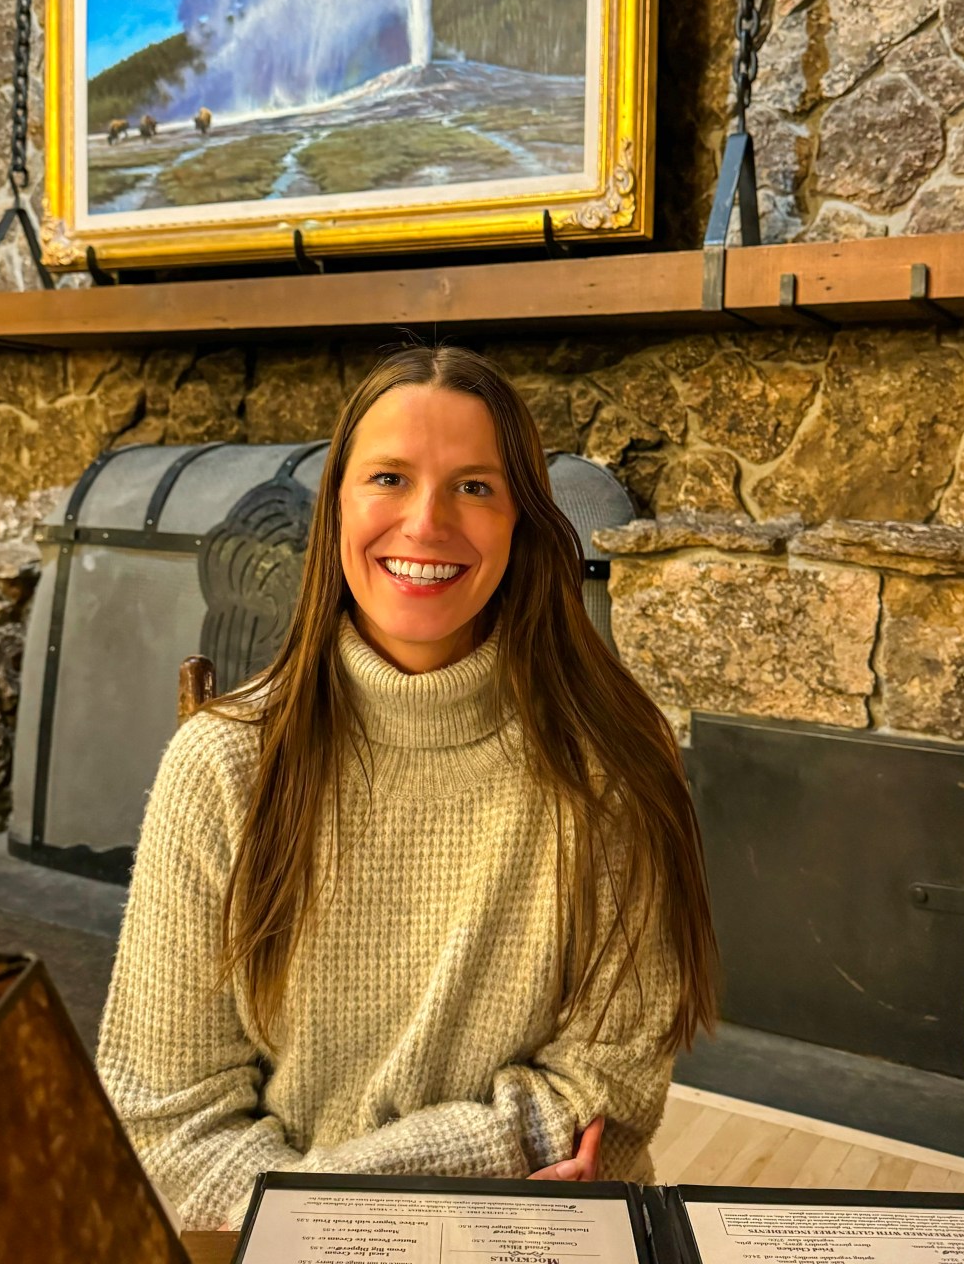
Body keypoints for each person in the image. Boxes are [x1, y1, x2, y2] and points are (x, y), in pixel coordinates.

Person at [97, 345, 718, 1230]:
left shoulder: (611, 767)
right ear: (336, 509)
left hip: (527, 1240)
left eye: (475, 487)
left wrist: (315, 1198)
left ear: (521, 524)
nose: (426, 524)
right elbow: (163, 1137)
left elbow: (609, 1098)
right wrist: (491, 1152)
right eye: (388, 477)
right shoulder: (223, 768)